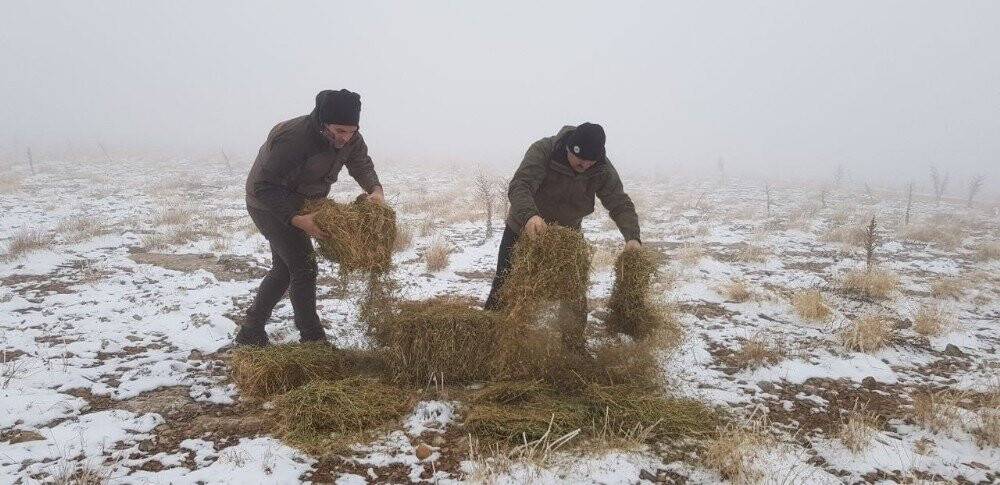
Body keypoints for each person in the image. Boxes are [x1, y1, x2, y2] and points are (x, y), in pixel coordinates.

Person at [235, 89, 385, 346]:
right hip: (267, 203)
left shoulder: (351, 138)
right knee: (304, 266)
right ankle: (312, 338)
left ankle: (251, 330)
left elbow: (360, 163)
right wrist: (296, 219)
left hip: (302, 202)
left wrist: (375, 189)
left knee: (284, 269)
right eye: (339, 131)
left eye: (351, 131)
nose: (345, 138)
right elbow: (264, 185)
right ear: (323, 123)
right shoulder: (294, 138)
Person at [483, 123, 641, 345]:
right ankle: (489, 339)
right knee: (504, 285)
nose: (585, 165)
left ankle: (572, 347)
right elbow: (520, 185)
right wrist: (530, 216)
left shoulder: (601, 167)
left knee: (574, 293)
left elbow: (620, 203)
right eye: (580, 159)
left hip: (567, 237)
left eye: (591, 161)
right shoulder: (544, 151)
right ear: (569, 147)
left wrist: (632, 237)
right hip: (523, 229)